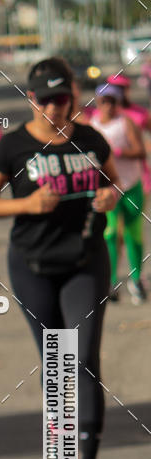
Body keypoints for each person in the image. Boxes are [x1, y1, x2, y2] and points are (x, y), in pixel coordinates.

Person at [0, 57, 120, 459]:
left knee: (82, 358)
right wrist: (26, 205)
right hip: (33, 266)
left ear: (74, 97)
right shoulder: (13, 147)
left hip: (85, 262)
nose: (56, 109)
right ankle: (62, 450)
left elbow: (115, 183)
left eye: (64, 99)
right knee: (56, 360)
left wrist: (111, 196)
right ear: (32, 98)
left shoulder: (91, 139)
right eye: (47, 100)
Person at [90, 83, 146, 304]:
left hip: (131, 186)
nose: (109, 106)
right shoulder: (92, 126)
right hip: (108, 190)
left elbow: (140, 150)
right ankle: (111, 281)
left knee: (133, 235)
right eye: (104, 102)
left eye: (113, 101)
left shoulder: (126, 123)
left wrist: (118, 152)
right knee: (111, 234)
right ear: (97, 103)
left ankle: (136, 279)